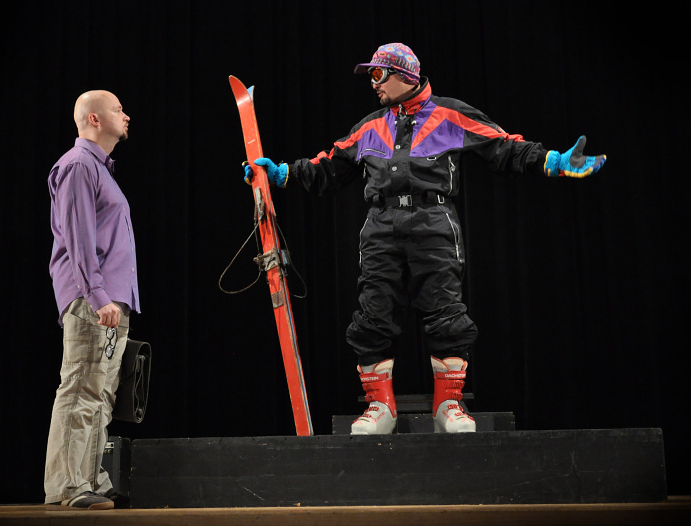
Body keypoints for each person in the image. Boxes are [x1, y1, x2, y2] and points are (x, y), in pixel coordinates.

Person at [243, 43, 605, 436]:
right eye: (370, 76)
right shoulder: (370, 126)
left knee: (445, 310)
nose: (373, 84)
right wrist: (280, 174)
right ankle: (380, 407)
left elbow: (504, 146)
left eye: (378, 74)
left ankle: (449, 405)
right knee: (373, 312)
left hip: (434, 221)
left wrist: (554, 162)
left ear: (405, 75)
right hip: (380, 225)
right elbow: (329, 166)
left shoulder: (450, 114)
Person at [44, 90, 140, 509]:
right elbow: (79, 239)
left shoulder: (100, 170)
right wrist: (98, 296)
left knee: (100, 393)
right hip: (93, 301)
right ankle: (68, 486)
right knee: (82, 386)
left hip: (110, 301)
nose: (126, 115)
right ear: (95, 119)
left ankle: (88, 480)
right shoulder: (79, 165)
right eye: (118, 109)